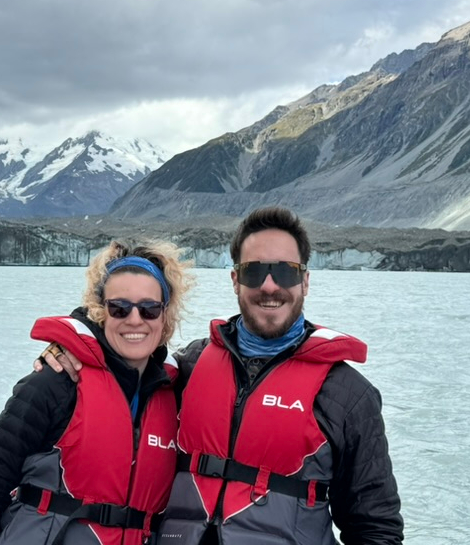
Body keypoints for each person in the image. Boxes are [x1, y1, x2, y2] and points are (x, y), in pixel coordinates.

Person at [40, 207, 403, 544]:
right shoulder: (191, 366)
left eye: (286, 271)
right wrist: (75, 342)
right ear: (235, 280)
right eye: (254, 271)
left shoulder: (346, 395)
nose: (270, 286)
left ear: (305, 281)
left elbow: (375, 527)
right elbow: (127, 356)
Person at [0, 240, 195, 545]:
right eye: (119, 308)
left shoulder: (177, 393)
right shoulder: (56, 382)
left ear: (165, 315)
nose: (135, 320)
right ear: (99, 311)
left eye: (149, 309)